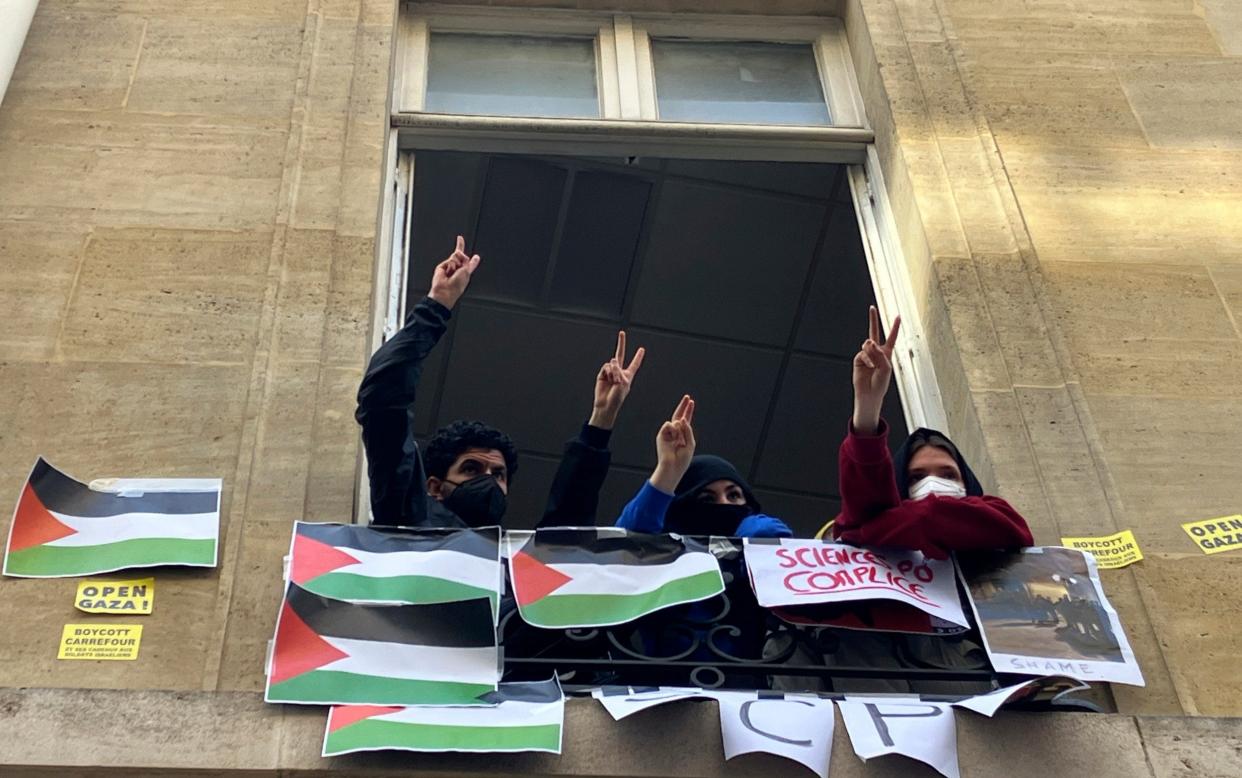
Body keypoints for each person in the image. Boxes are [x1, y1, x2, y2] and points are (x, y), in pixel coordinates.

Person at [817, 306, 1033, 557]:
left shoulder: (1002, 516)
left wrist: (866, 531)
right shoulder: (882, 529)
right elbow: (865, 500)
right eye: (916, 477)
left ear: (969, 483)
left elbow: (931, 517)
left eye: (949, 475)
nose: (933, 486)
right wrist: (867, 407)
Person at [615, 395, 792, 539]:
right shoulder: (664, 560)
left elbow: (768, 534)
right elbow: (625, 543)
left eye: (734, 495)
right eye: (707, 499)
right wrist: (667, 470)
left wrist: (743, 535)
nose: (724, 504)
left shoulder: (757, 556)